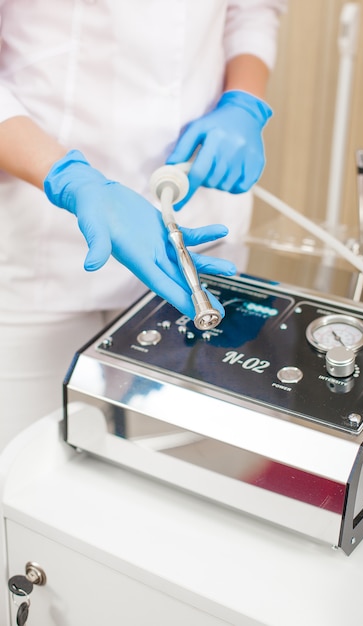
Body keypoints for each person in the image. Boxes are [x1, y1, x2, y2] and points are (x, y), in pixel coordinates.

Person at [0, 0, 286, 449]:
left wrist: (244, 101)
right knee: (26, 469)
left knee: (173, 467)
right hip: (39, 238)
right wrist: (66, 177)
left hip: (194, 226)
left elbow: (253, 8)